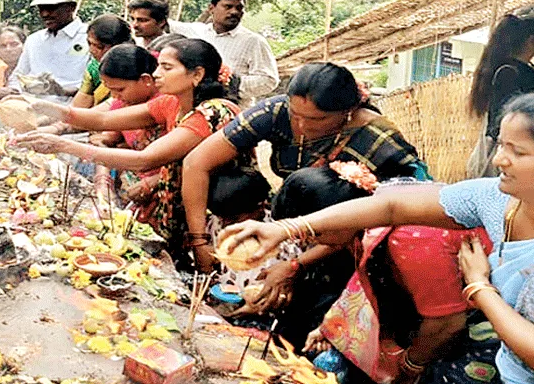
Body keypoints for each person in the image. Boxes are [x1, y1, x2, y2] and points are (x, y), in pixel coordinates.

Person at [220, 91, 534, 384]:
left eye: (518, 152)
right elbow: (392, 206)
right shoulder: (500, 201)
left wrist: (480, 288)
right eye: (501, 144)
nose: (499, 159)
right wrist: (288, 229)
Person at [18, 39, 255, 262]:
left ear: (197, 74)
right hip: (190, 213)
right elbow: (103, 121)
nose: (156, 73)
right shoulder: (171, 103)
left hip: (223, 213)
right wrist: (41, 106)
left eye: (166, 67)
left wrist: (63, 145)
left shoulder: (213, 113)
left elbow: (145, 160)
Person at [182, 62, 428, 274]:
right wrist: (199, 241)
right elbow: (196, 163)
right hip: (292, 231)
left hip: (347, 241)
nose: (301, 125)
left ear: (348, 112)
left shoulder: (379, 142)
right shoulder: (275, 112)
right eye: (295, 114)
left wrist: (294, 267)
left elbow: (381, 216)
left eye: (316, 119)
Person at [298, 176, 500, 384]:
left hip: (490, 323)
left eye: (314, 234)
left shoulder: (410, 239)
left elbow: (447, 324)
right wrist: (335, 326)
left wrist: (409, 369)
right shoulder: (379, 203)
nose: (312, 243)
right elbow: (367, 282)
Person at [468, 12, 534, 177]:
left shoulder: (524, 69)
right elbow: (503, 115)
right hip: (508, 147)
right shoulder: (509, 72)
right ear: (531, 40)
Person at [184, 0, 278, 107]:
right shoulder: (197, 32)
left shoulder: (253, 41)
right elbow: (163, 23)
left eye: (239, 8)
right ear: (211, 8)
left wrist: (231, 83)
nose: (234, 12)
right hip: (195, 109)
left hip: (233, 114)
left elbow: (269, 80)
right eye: (228, 7)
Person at [8, 0, 89, 97]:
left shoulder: (89, 38)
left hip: (73, 108)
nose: (45, 14)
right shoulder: (34, 40)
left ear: (71, 7)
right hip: (31, 106)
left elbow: (97, 85)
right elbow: (17, 77)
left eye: (51, 8)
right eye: (41, 8)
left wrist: (61, 91)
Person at [74, 14, 133, 109]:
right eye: (89, 43)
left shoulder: (134, 68)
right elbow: (80, 104)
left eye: (99, 46)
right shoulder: (94, 67)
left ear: (118, 45)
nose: (92, 50)